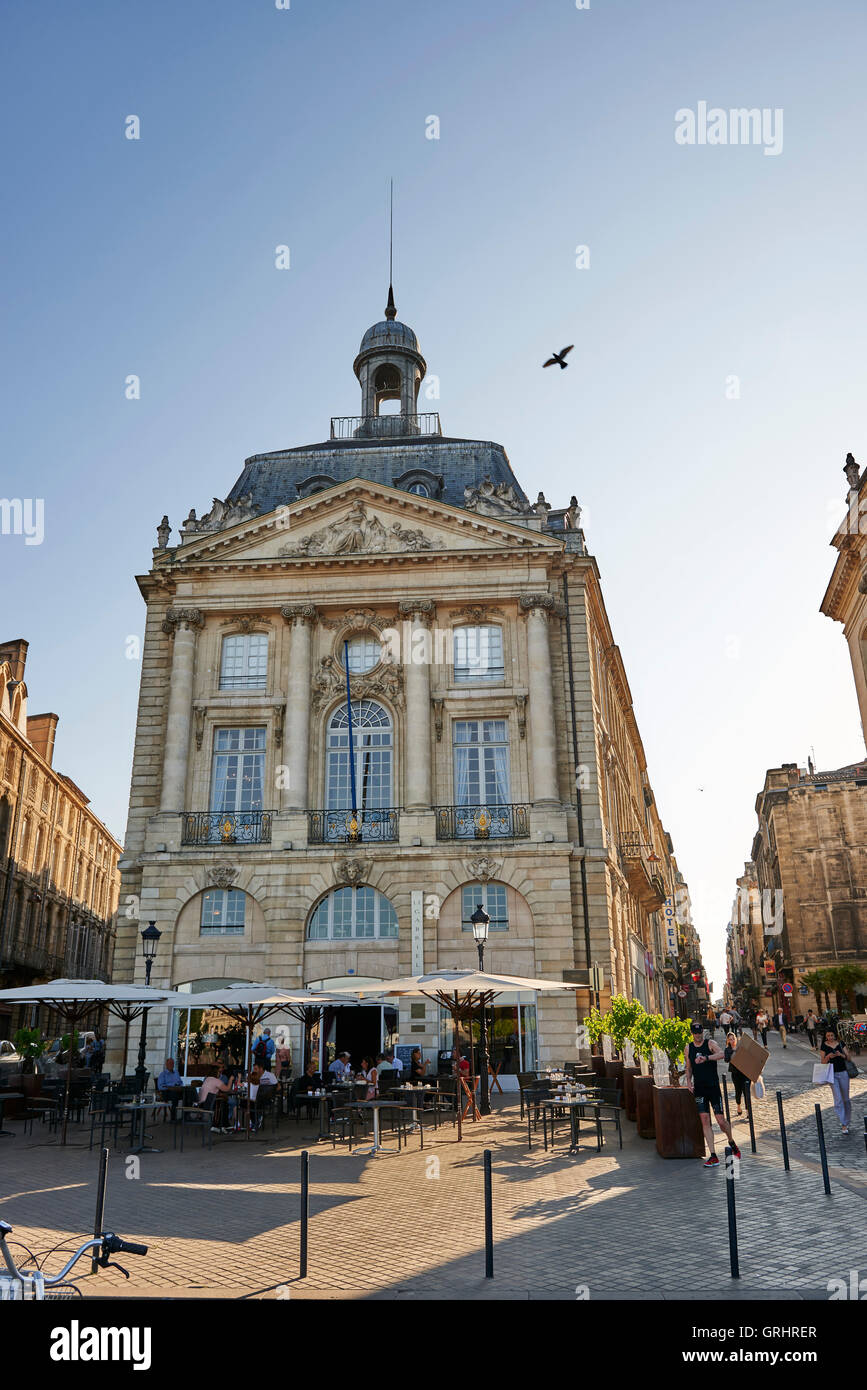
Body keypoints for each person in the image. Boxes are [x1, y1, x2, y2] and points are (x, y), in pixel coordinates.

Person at [684, 1021, 741, 1167]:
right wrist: (689, 1082)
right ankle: (713, 1155)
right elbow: (689, 1067)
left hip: (713, 1087)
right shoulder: (688, 1048)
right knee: (704, 1119)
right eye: (695, 1033)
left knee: (721, 1120)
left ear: (702, 1031)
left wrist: (707, 1058)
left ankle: (731, 1141)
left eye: (699, 1032)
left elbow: (722, 1054)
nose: (698, 1035)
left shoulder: (710, 1043)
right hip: (700, 1089)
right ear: (692, 1033)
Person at [819, 1029, 852, 1134]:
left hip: (843, 1073)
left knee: (846, 1099)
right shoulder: (824, 1046)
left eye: (832, 1035)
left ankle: (847, 1120)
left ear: (835, 1035)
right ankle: (844, 1124)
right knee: (838, 1099)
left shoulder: (841, 1044)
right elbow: (822, 1062)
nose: (830, 1037)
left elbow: (849, 1058)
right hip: (832, 1075)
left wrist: (840, 1055)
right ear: (825, 1036)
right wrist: (828, 1057)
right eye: (828, 1035)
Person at [723, 1032, 747, 1118]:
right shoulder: (727, 1050)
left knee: (746, 1092)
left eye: (733, 1038)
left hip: (745, 1072)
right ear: (728, 1041)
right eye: (730, 1039)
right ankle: (738, 1106)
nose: (732, 1041)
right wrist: (733, 1053)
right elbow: (726, 1060)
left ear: (736, 1038)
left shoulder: (741, 1047)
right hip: (735, 1073)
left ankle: (748, 1111)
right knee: (738, 1091)